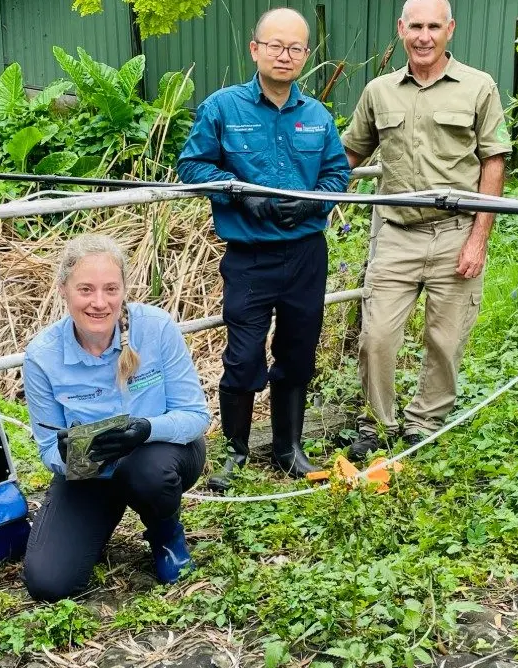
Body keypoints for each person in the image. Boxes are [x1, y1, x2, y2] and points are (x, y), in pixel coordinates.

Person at [176, 8, 351, 491]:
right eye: (275, 45)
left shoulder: (316, 116)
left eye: (295, 48)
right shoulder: (223, 108)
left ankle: (287, 447)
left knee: (298, 352)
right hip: (249, 256)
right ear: (254, 49)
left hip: (305, 256)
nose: (284, 55)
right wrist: (236, 189)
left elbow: (338, 175)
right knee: (243, 355)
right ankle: (233, 452)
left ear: (305, 56)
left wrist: (312, 207)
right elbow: (191, 167)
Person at [341, 0, 510, 458]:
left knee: (445, 339)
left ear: (449, 30)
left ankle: (423, 423)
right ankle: (377, 423)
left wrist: (479, 238)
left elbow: (494, 161)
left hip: (456, 230)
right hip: (396, 233)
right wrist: (297, 186)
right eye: (415, 26)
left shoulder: (478, 87)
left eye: (434, 26)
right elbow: (350, 154)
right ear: (401, 30)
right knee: (376, 336)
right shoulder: (379, 91)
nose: (424, 36)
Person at [21, 234, 210, 601]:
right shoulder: (42, 357)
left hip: (159, 456)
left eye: (110, 289)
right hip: (93, 473)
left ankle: (165, 533)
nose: (99, 302)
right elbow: (47, 449)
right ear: (63, 289)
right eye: (85, 290)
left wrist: (145, 429)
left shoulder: (156, 328)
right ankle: (97, 518)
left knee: (145, 471)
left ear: (124, 289)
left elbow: (196, 416)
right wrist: (66, 454)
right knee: (48, 583)